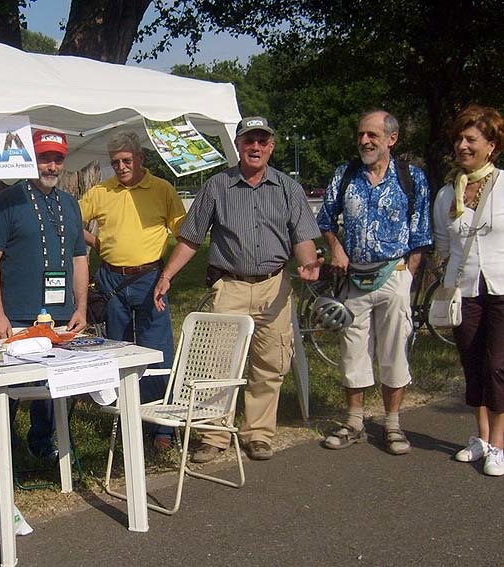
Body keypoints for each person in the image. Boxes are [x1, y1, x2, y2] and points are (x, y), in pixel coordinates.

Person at [153, 116, 322, 462]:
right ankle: (214, 435)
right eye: (249, 141)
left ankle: (258, 433)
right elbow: (191, 237)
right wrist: (166, 275)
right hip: (228, 286)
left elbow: (302, 235)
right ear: (239, 145)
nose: (255, 147)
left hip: (274, 286)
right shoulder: (217, 186)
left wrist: (307, 264)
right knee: (216, 363)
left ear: (271, 146)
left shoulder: (288, 188)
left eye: (262, 141)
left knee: (271, 363)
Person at [318, 110, 432, 455]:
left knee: (393, 352)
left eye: (372, 135)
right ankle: (354, 421)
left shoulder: (411, 178)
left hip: (393, 275)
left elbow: (421, 234)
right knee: (353, 352)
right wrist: (336, 248)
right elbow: (325, 218)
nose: (364, 141)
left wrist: (408, 276)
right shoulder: (346, 174)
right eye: (360, 135)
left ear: (391, 139)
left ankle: (393, 425)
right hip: (354, 280)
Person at [0, 129, 88, 462]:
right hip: (15, 315)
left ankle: (42, 443)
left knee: (50, 386)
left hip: (59, 315)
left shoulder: (69, 204)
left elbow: (79, 258)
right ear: (31, 159)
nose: (51, 166)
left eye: (57, 159)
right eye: (45, 158)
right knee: (7, 388)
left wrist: (82, 307)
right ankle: (1, 450)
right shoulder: (9, 200)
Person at [79, 131, 186, 450]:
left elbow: (185, 232)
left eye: (127, 160)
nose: (121, 167)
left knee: (157, 351)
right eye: (115, 163)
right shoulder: (101, 191)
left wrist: (168, 273)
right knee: (118, 351)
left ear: (140, 158)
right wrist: (98, 243)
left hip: (150, 277)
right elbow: (70, 221)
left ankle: (162, 427)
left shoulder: (162, 189)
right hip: (112, 280)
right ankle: (127, 417)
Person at [432, 105, 504, 476]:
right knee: (473, 365)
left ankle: (498, 445)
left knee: (497, 366)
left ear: (490, 145)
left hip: (501, 288)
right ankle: (480, 438)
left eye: (471, 139)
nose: (462, 145)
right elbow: (444, 245)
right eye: (459, 139)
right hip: (464, 290)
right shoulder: (448, 195)